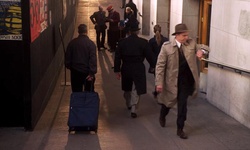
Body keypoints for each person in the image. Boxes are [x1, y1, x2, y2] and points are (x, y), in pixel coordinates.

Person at [155, 23, 209, 139]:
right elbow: (160, 66)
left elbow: (206, 47)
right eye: (184, 35)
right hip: (171, 82)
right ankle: (162, 114)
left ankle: (180, 128)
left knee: (182, 105)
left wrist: (202, 52)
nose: (186, 38)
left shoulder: (191, 43)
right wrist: (159, 83)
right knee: (168, 103)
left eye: (187, 35)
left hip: (186, 81)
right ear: (177, 35)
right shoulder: (167, 47)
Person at [114, 22, 156, 118]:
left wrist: (117, 70)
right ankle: (134, 108)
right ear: (137, 32)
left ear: (128, 32)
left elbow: (117, 57)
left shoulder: (122, 42)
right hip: (138, 67)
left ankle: (128, 103)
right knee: (136, 88)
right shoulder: (143, 42)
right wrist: (153, 66)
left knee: (127, 88)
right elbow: (150, 56)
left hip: (126, 67)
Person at [65, 24, 97, 92]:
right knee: (89, 93)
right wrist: (91, 73)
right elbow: (93, 59)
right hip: (87, 73)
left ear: (78, 31)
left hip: (75, 72)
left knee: (76, 92)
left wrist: (70, 66)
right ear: (86, 31)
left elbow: (67, 57)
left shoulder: (72, 43)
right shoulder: (91, 44)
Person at [148, 24, 169, 98]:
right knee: (165, 78)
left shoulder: (151, 41)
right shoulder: (166, 40)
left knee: (157, 78)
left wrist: (152, 64)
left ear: (154, 31)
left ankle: (157, 91)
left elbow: (150, 54)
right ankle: (164, 92)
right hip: (165, 62)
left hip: (156, 62)